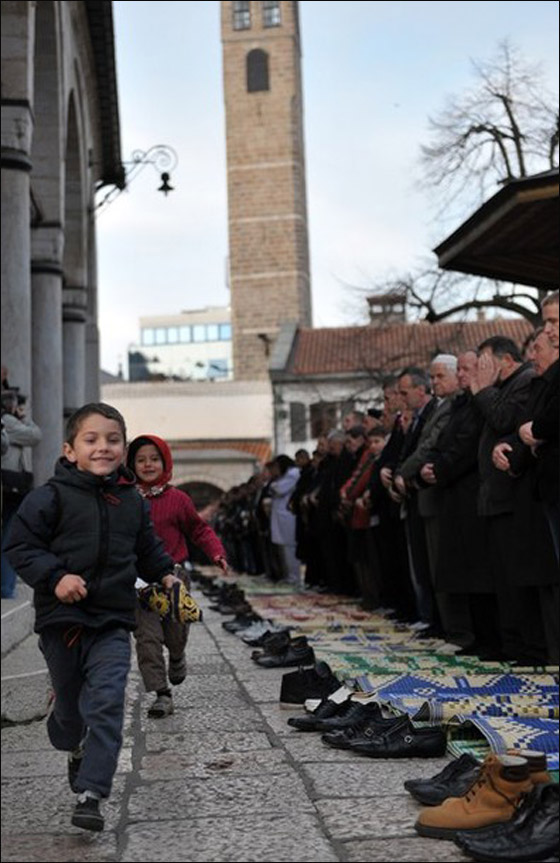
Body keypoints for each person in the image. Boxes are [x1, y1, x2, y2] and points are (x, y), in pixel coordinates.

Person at [5, 403, 181, 833]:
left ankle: (92, 793)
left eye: (113, 439)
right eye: (91, 439)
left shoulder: (132, 504)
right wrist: (56, 577)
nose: (103, 447)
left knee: (106, 701)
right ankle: (72, 740)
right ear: (70, 450)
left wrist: (166, 573)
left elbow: (148, 548)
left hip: (112, 621)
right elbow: (20, 546)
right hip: (61, 621)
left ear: (122, 449)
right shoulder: (48, 497)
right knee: (70, 707)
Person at [126, 434, 228, 718]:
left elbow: (199, 530)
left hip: (174, 577)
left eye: (154, 459)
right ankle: (161, 693)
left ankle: (178, 654)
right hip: (139, 583)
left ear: (165, 462)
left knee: (175, 632)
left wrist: (216, 552)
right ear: (131, 464)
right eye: (141, 459)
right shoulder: (125, 499)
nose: (148, 465)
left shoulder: (178, 499)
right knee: (146, 638)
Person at [1, 382, 42, 598]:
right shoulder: (7, 421)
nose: (14, 405)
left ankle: (6, 588)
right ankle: (6, 588)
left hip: (16, 483)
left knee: (10, 535)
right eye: (10, 401)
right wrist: (23, 418)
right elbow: (35, 435)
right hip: (9, 484)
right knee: (8, 536)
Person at [269, 455, 302, 587]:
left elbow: (279, 489)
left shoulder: (293, 473)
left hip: (288, 516)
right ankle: (288, 576)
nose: (274, 471)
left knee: (289, 548)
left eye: (276, 467)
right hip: (281, 516)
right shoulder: (284, 476)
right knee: (283, 548)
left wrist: (273, 485)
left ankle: (294, 577)